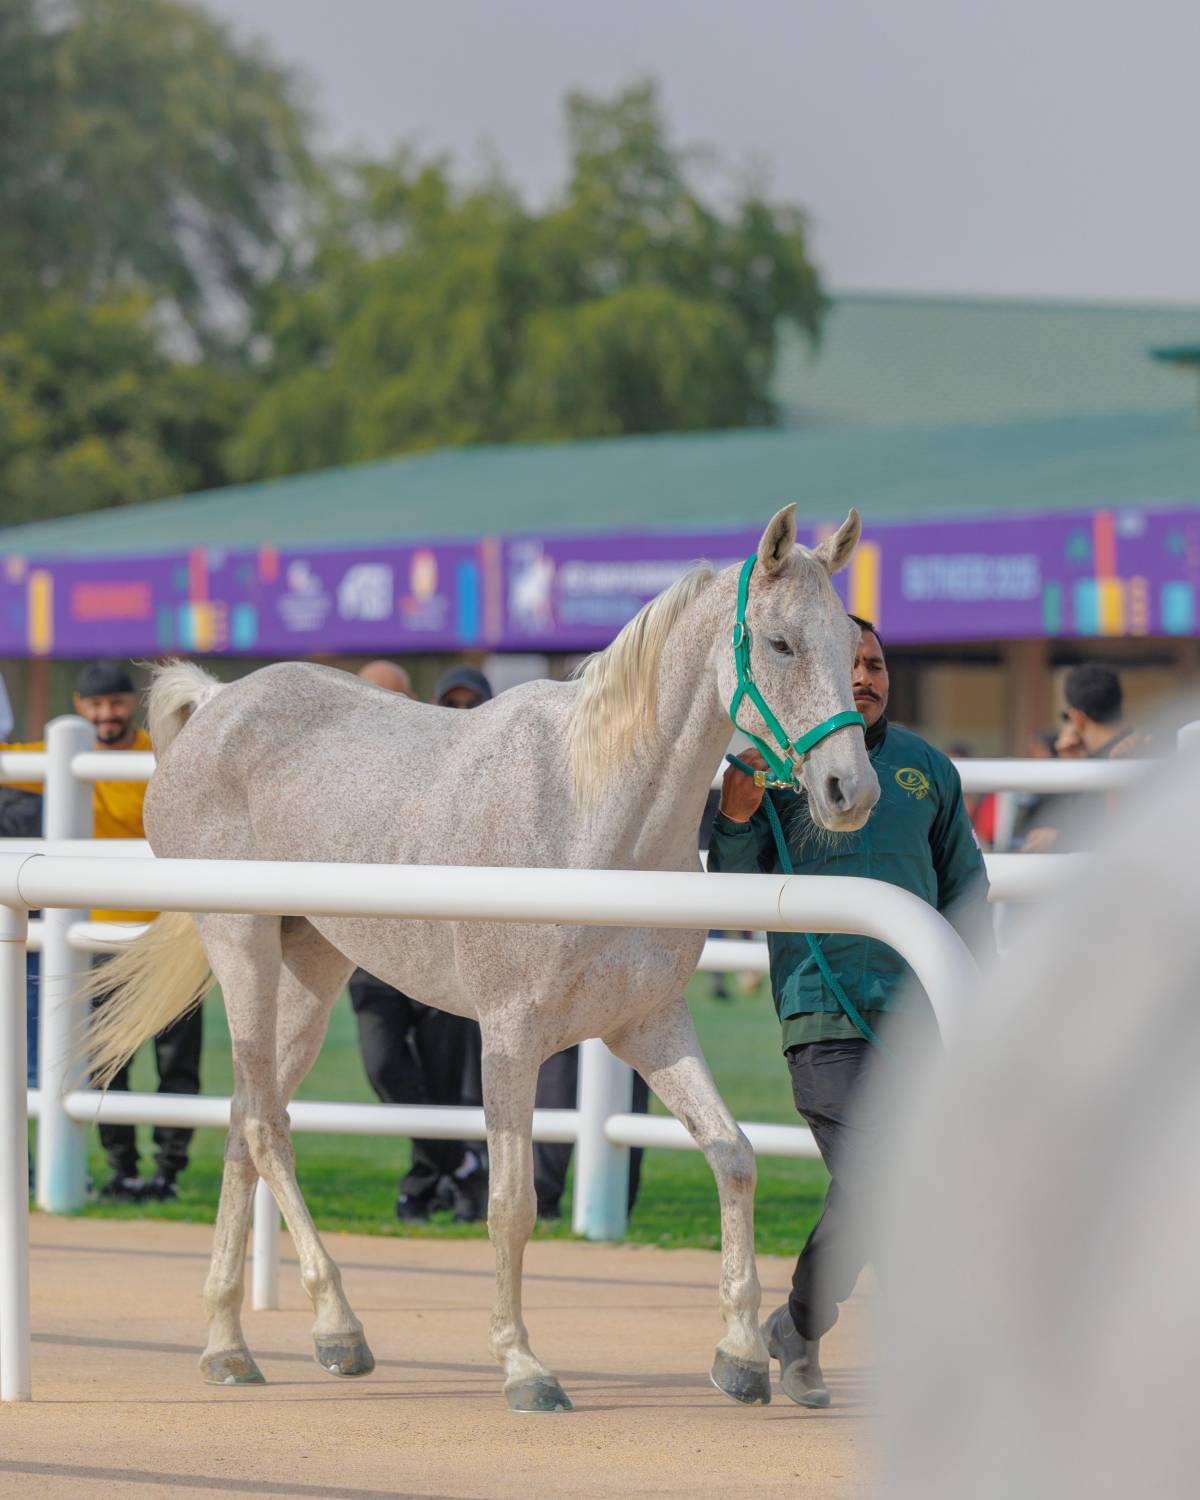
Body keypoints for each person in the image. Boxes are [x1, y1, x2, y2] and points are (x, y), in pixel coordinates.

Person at [707, 616, 990, 1407]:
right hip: (821, 1014)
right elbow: (734, 886)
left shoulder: (926, 770)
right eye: (852, 664)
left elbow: (966, 887)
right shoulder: (771, 769)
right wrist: (732, 816)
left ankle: (799, 1326)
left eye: (875, 664)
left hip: (921, 1019)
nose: (864, 676)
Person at [4, 661, 202, 1201]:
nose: (105, 715)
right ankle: (125, 1172)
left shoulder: (166, 755)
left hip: (170, 934)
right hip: (93, 939)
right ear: (79, 706)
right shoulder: (62, 754)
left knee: (176, 1064)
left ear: (129, 705)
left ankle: (168, 1173)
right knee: (105, 1064)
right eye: (94, 706)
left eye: (114, 703)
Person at [346, 661, 490, 1223]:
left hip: (443, 945)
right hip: (373, 947)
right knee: (385, 1067)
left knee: (446, 1078)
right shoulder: (345, 771)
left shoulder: (458, 768)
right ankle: (460, 1168)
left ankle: (427, 1182)